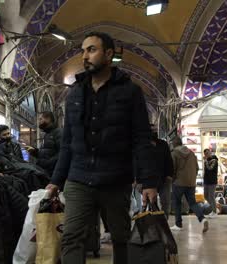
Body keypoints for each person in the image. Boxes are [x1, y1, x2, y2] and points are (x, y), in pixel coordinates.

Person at [45, 32, 158, 264]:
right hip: (78, 178)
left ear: (108, 54)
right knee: (71, 237)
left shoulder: (130, 92)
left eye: (91, 50)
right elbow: (67, 143)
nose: (85, 56)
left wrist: (149, 182)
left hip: (115, 179)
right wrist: (56, 180)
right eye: (83, 50)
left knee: (121, 238)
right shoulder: (74, 94)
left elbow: (141, 139)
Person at [170, 136, 208, 233]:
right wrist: (192, 178)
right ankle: (202, 219)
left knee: (177, 203)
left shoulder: (174, 154)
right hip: (191, 182)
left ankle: (178, 224)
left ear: (174, 144)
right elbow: (197, 167)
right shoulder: (191, 153)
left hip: (178, 182)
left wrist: (173, 179)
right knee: (193, 203)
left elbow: (172, 168)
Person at [150, 125, 173, 219]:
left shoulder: (163, 144)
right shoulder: (144, 146)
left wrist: (169, 175)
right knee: (152, 202)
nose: (154, 132)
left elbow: (168, 160)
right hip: (150, 179)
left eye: (155, 130)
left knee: (165, 201)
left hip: (164, 178)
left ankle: (164, 221)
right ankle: (155, 222)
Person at [35, 111, 62, 175]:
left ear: (48, 119)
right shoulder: (47, 134)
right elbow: (48, 152)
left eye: (40, 119)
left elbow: (62, 153)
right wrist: (35, 152)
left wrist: (48, 163)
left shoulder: (58, 133)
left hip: (53, 172)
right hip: (45, 172)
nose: (39, 121)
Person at [204, 148, 219, 218]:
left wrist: (206, 161)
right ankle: (214, 208)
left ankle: (215, 211)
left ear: (210, 152)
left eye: (207, 153)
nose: (206, 155)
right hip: (206, 181)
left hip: (212, 181)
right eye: (205, 154)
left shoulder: (214, 160)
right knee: (206, 196)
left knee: (211, 196)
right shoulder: (206, 161)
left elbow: (210, 169)